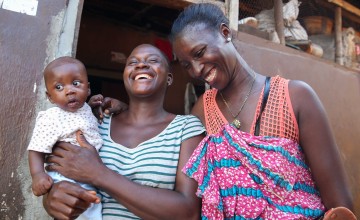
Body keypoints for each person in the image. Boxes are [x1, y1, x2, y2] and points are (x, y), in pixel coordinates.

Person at [90, 3, 356, 220]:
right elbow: (175, 165)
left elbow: (340, 204)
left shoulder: (295, 97)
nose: (196, 70)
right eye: (186, 64)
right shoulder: (201, 113)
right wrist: (127, 111)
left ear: (226, 32)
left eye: (200, 52)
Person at [42, 44, 205, 219]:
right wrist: (52, 198)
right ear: (125, 76)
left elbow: (188, 212)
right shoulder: (95, 123)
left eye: (152, 60)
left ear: (169, 78)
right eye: (132, 62)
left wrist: (99, 174)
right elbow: (58, 171)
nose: (141, 65)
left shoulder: (187, 129)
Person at [27, 56, 103, 219]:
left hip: (90, 173)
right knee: (77, 211)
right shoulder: (51, 117)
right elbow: (36, 148)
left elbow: (83, 120)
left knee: (92, 212)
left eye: (76, 84)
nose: (70, 91)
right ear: (50, 97)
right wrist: (38, 175)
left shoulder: (86, 109)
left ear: (88, 89)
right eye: (59, 87)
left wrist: (92, 106)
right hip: (65, 175)